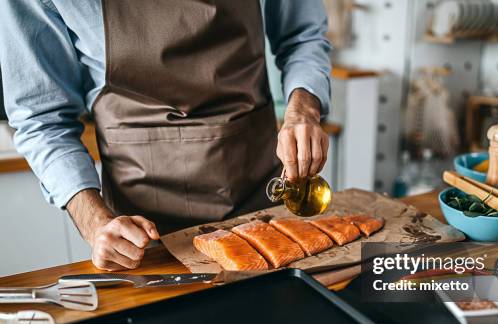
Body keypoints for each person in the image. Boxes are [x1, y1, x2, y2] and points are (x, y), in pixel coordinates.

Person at [0, 0, 331, 271]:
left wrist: (304, 108)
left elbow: (302, 37)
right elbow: (42, 117)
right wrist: (95, 223)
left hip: (263, 200)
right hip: (141, 232)